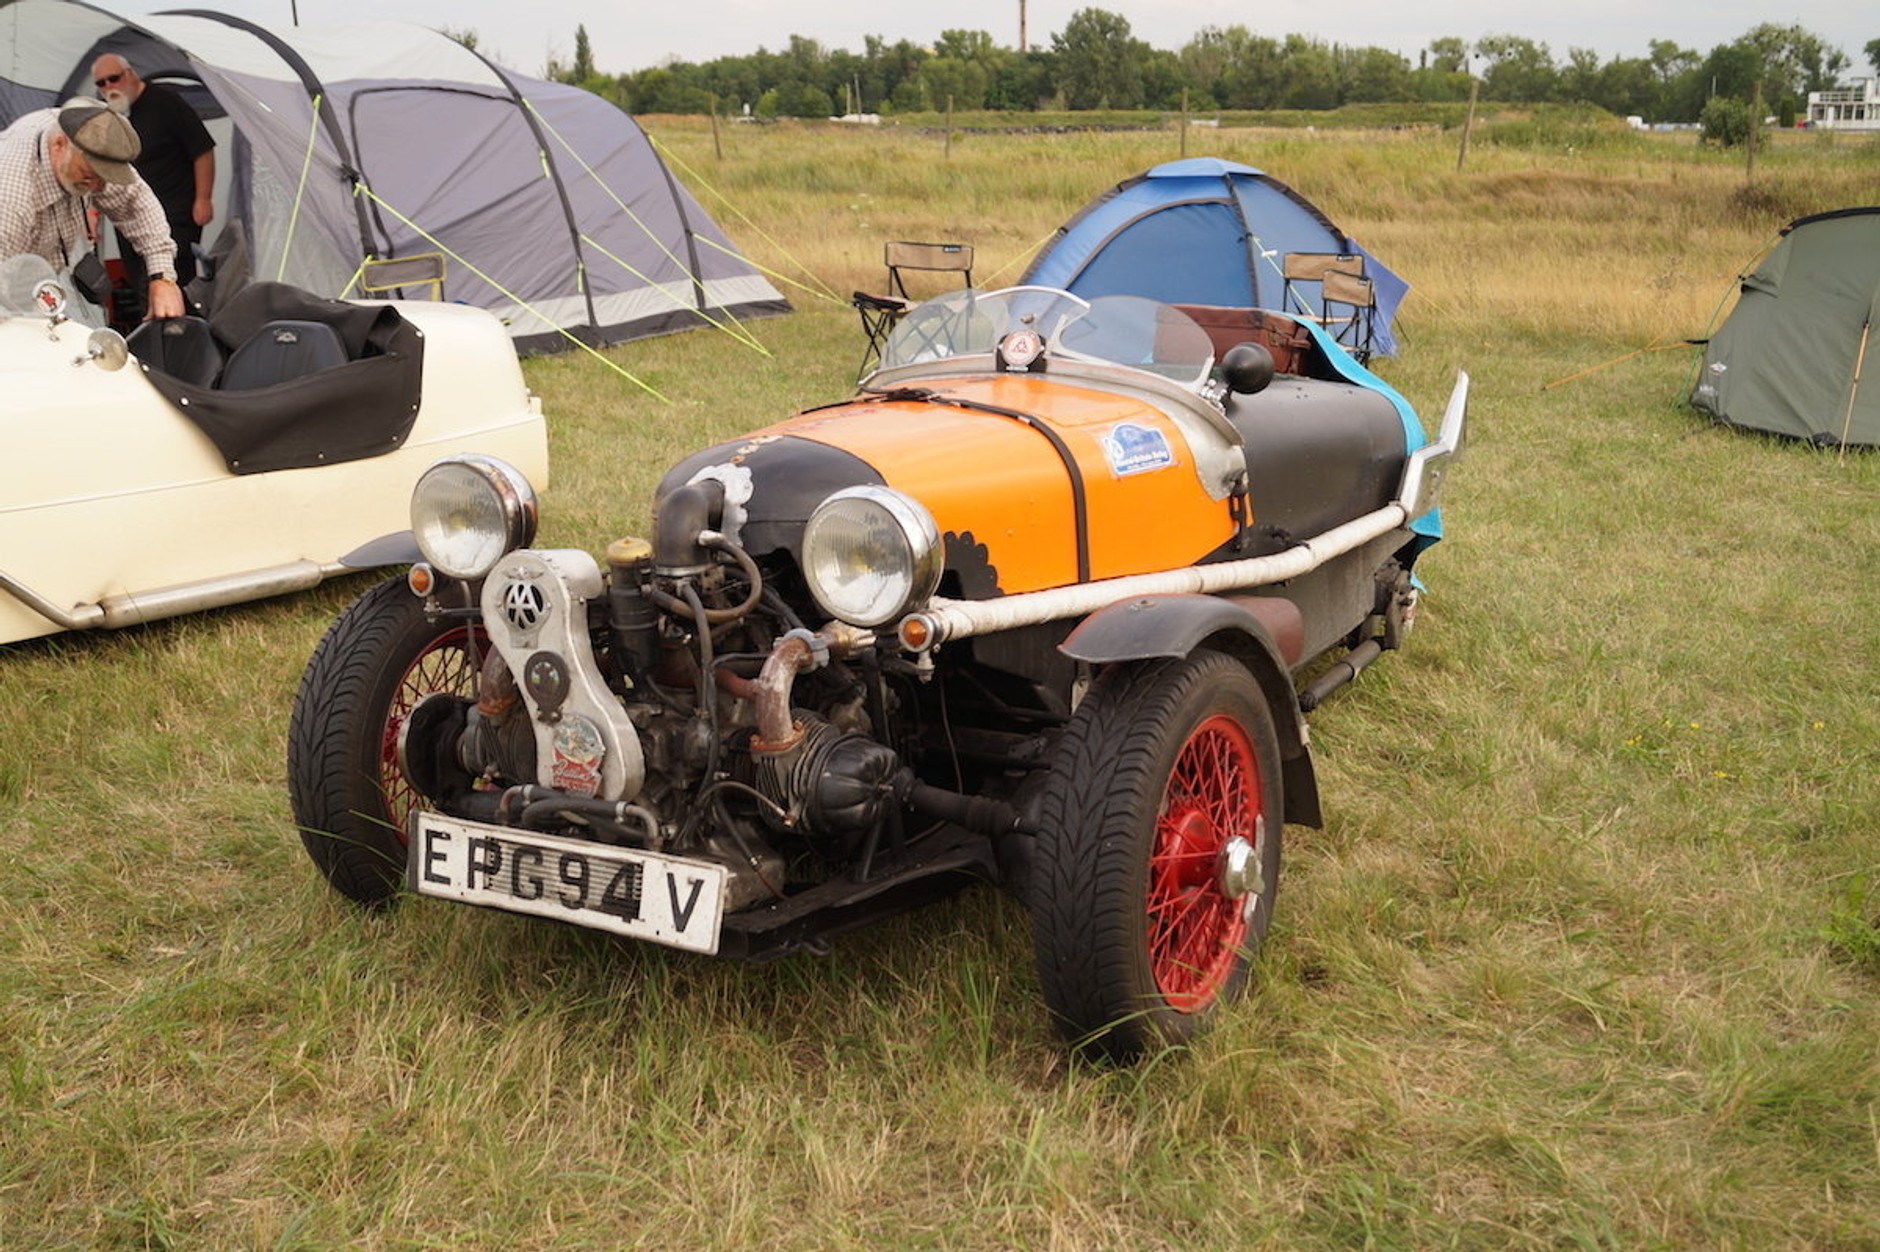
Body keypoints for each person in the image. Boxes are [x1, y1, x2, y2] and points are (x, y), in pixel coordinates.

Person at [0, 98, 184, 320]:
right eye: (89, 175)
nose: (98, 188)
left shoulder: (90, 146)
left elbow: (137, 203)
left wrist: (163, 277)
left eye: (104, 177)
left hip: (46, 274)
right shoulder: (12, 196)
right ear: (59, 145)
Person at [92, 54, 214, 322]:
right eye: (101, 83)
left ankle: (185, 342)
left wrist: (203, 198)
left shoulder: (166, 103)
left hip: (175, 215)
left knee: (175, 284)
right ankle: (155, 348)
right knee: (141, 287)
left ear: (130, 73)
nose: (109, 86)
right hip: (128, 222)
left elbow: (203, 149)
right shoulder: (109, 117)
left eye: (114, 78)